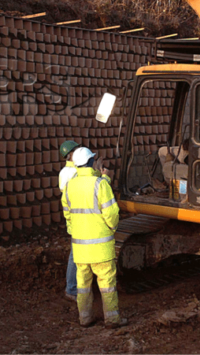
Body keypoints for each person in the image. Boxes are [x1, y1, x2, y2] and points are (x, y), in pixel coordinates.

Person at [62, 147, 127, 328]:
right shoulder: (100, 184)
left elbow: (68, 215)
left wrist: (77, 232)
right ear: (91, 162)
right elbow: (112, 213)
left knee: (83, 287)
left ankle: (85, 318)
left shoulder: (69, 186)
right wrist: (111, 228)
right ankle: (112, 319)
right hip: (101, 248)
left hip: (81, 249)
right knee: (106, 285)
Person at [58, 140, 80, 300]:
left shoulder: (66, 172)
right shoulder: (72, 173)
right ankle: (72, 289)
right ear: (71, 155)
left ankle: (75, 287)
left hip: (76, 219)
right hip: (80, 220)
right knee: (76, 255)